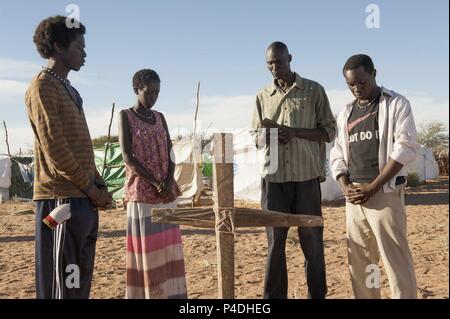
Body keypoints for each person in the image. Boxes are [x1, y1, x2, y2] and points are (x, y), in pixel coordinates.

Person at [25, 15, 112, 299]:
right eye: (79, 47)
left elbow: (82, 148)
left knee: (77, 283)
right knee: (60, 285)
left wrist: (99, 187)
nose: (85, 53)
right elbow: (56, 148)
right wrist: (89, 188)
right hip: (59, 200)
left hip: (82, 200)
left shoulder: (70, 90)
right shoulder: (42, 86)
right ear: (59, 48)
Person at [251, 41, 336, 299]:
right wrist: (268, 136)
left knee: (312, 242)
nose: (275, 67)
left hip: (306, 178)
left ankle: (316, 295)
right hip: (274, 179)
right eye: (270, 63)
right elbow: (255, 137)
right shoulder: (262, 95)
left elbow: (329, 131)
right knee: (275, 244)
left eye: (279, 61)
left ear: (290, 58)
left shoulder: (313, 91)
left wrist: (296, 132)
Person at [330, 54, 418, 299]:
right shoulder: (345, 112)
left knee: (395, 260)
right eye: (350, 84)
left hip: (384, 193)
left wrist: (374, 186)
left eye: (361, 82)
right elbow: (337, 152)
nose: (356, 89)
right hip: (355, 198)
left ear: (374, 74)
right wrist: (344, 185)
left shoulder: (396, 104)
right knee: (361, 261)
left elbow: (406, 147)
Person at [118, 69, 187, 299]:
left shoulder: (160, 117)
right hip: (142, 194)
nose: (154, 97)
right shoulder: (125, 116)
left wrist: (168, 182)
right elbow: (128, 157)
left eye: (157, 93)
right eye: (149, 93)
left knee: (168, 250)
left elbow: (170, 152)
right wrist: (155, 183)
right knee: (149, 254)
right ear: (137, 89)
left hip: (166, 195)